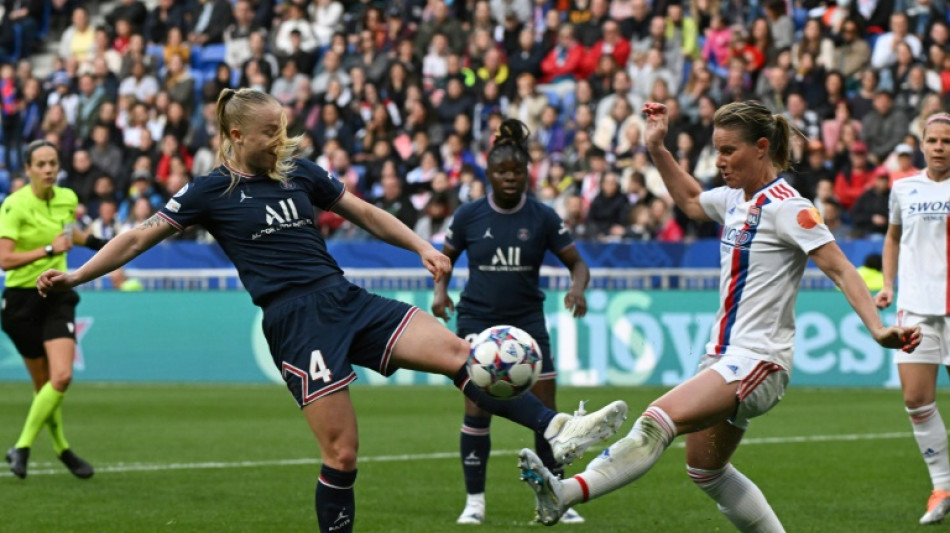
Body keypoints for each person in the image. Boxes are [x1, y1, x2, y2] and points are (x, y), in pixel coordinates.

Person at [36, 88, 627, 533]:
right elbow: (139, 236)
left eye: (284, 128)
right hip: (296, 322)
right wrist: (80, 272)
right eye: (270, 132)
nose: (282, 140)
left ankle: (557, 429)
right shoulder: (209, 190)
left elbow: (364, 211)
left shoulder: (299, 172)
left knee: (461, 354)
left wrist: (422, 246)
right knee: (343, 454)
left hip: (345, 298)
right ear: (237, 134)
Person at [517, 100, 922, 529]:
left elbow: (840, 268)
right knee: (705, 469)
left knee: (657, 419)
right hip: (723, 357)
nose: (720, 161)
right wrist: (657, 148)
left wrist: (878, 328)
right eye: (717, 150)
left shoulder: (789, 207)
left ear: (761, 147)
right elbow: (692, 200)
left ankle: (565, 493)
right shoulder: (733, 199)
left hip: (758, 359)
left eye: (729, 150)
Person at [432, 119, 592, 525]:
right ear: (489, 173)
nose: (509, 177)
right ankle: (474, 502)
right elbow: (445, 258)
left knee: (546, 410)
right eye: (502, 171)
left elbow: (577, 263)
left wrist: (577, 289)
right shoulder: (469, 215)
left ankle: (558, 494)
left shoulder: (542, 217)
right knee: (477, 407)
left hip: (527, 324)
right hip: (478, 321)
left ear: (527, 174)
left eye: (516, 171)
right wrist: (439, 292)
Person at [1, 140, 112, 479]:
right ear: (28, 169)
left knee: (61, 377)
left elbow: (67, 232)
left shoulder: (67, 198)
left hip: (56, 294)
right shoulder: (14, 205)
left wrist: (96, 243)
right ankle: (62, 448)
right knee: (44, 387)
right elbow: (5, 259)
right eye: (41, 164)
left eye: (53, 163)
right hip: (21, 301)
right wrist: (48, 249)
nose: (48, 169)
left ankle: (22, 447)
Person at [875, 113, 950, 525]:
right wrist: (888, 283)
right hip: (916, 308)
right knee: (916, 400)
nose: (939, 147)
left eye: (947, 141)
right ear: (922, 145)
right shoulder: (903, 187)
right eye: (933, 140)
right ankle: (942, 487)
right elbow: (893, 237)